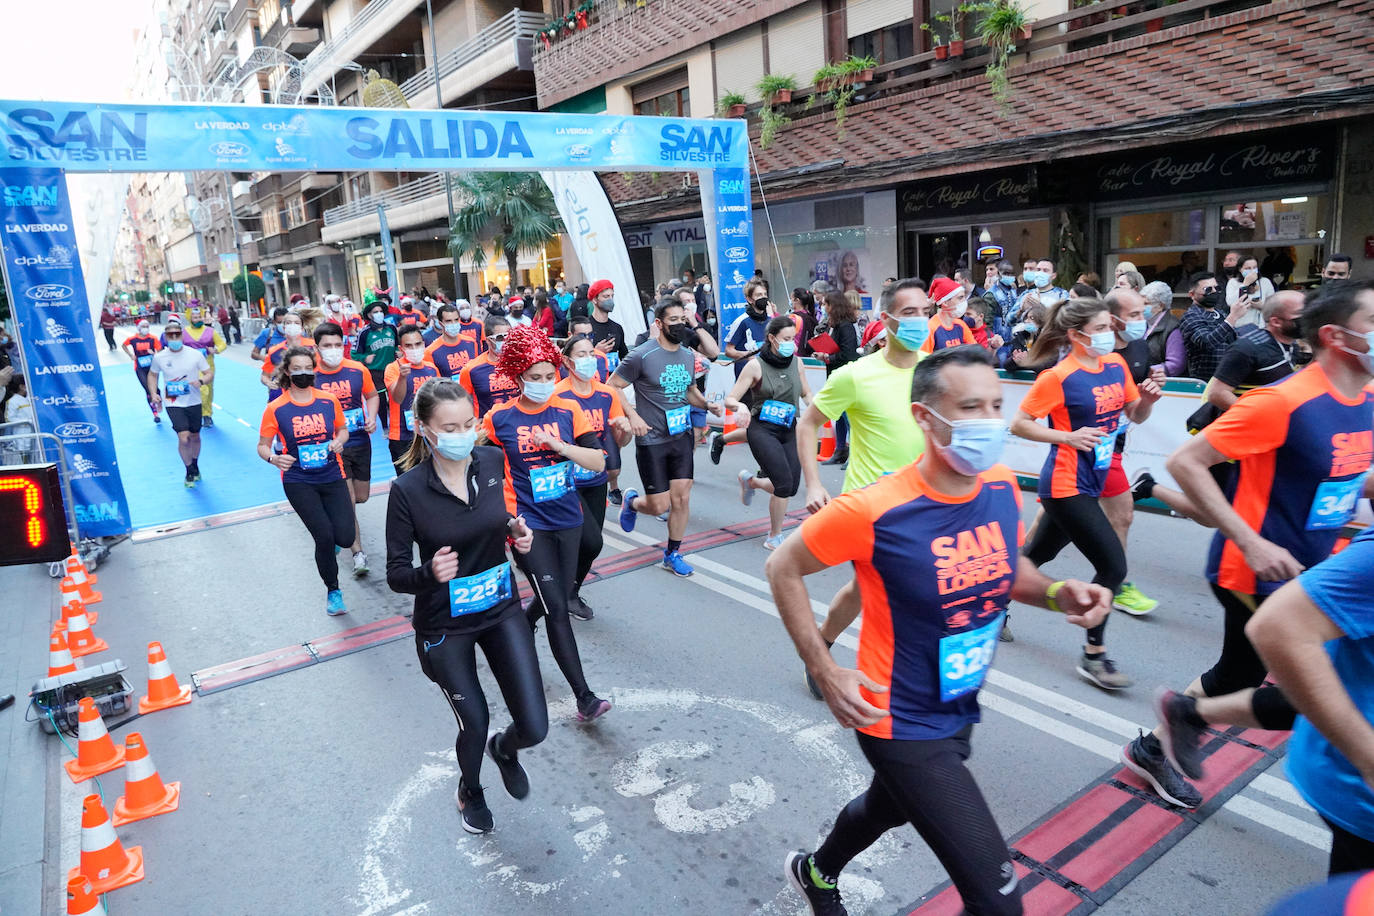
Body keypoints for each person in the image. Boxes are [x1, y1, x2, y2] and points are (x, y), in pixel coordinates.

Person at [769, 345, 1112, 916]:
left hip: (959, 702)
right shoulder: (875, 509)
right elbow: (783, 566)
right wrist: (824, 670)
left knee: (888, 807)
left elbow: (1007, 570)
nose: (990, 421)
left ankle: (815, 872)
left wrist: (1056, 592)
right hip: (897, 718)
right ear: (926, 417)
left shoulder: (1001, 485)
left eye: (997, 405)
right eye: (971, 407)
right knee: (1000, 905)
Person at [1121, 280, 1374, 810]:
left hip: (1312, 567)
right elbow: (1185, 462)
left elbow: (1346, 473)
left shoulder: (1365, 399)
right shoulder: (1281, 401)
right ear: (1336, 336)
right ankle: (1159, 743)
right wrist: (1251, 541)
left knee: (1271, 680)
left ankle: (1167, 733)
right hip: (1253, 567)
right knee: (1299, 687)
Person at [385, 378, 546, 834]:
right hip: (445, 626)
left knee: (534, 726)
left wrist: (519, 537)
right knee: (473, 721)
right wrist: (427, 574)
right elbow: (396, 573)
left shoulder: (493, 460)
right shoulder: (408, 491)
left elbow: (505, 520)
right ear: (425, 430)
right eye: (450, 426)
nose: (462, 433)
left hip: (500, 609)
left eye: (469, 423)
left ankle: (506, 749)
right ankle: (470, 790)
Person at [1010, 297, 1162, 688]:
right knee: (1114, 567)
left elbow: (1134, 415)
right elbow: (1020, 424)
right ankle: (1094, 655)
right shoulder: (1057, 377)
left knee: (1036, 555)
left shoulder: (1115, 365)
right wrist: (1067, 436)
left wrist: (1146, 401)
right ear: (1076, 335)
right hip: (1064, 483)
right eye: (1099, 330)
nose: (1109, 335)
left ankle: (989, 601)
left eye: (1110, 328)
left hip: (1095, 475)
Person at [794, 279, 932, 699]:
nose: (920, 321)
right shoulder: (856, 375)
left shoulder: (937, 369)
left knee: (860, 592)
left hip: (926, 504)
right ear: (886, 320)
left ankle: (822, 644)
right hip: (872, 509)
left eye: (925, 311)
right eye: (909, 313)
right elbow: (808, 424)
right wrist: (813, 483)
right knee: (893, 593)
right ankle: (899, 679)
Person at [483, 326, 612, 722]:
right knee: (557, 607)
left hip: (568, 516)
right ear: (518, 376)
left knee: (552, 592)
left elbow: (598, 462)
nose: (543, 384)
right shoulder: (499, 419)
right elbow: (483, 473)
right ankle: (584, 697)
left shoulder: (567, 410)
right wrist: (505, 521)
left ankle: (522, 621)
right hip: (528, 525)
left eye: (548, 376)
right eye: (534, 377)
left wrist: (560, 446)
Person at [1249, 526, 1374, 877]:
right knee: (1235, 672)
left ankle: (1188, 713)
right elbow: (1277, 628)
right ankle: (1184, 715)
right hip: (1357, 792)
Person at [1098, 289, 1195, 616]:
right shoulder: (1091, 351)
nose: (1143, 321)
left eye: (1144, 312)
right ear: (1113, 319)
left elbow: (1135, 414)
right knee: (1048, 533)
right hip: (1079, 449)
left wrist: (1150, 396)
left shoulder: (1140, 348)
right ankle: (1013, 577)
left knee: (1121, 515)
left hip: (1112, 448)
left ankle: (1114, 586)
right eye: (1136, 315)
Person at [612, 300, 724, 578]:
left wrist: (707, 405)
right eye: (672, 320)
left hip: (681, 435)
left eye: (681, 320)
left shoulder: (688, 355)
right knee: (658, 505)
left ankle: (672, 553)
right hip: (651, 439)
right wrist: (632, 415)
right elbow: (612, 385)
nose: (679, 325)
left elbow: (689, 391)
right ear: (659, 324)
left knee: (682, 499)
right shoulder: (641, 355)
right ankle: (633, 502)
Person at [258, 347, 354, 616]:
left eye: (307, 368)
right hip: (299, 480)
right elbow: (263, 446)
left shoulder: (327, 400)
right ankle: (333, 591)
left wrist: (339, 441)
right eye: (297, 368)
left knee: (345, 537)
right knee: (323, 536)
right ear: (287, 371)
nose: (303, 373)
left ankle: (331, 545)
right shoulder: (276, 408)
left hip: (332, 474)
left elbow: (343, 429)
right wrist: (274, 459)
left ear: (314, 369)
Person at [553, 334, 633, 619]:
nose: (589, 360)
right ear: (567, 360)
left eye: (592, 354)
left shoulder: (606, 393)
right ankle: (562, 591)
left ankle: (570, 591)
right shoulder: (557, 395)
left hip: (595, 479)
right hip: (565, 481)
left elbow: (616, 441)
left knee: (590, 543)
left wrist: (624, 429)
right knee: (588, 541)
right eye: (582, 354)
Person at [726, 316, 813, 549]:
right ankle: (774, 536)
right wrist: (741, 406)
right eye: (786, 339)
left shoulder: (797, 363)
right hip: (762, 429)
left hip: (788, 427)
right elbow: (730, 398)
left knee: (791, 487)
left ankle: (751, 482)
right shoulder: (755, 365)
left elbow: (806, 394)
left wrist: (819, 411)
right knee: (783, 484)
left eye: (793, 338)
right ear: (772, 339)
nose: (791, 343)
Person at [314, 322, 380, 578]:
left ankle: (335, 515)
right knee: (349, 501)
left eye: (337, 345)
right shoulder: (312, 376)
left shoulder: (357, 369)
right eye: (327, 346)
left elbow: (372, 395)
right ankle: (358, 553)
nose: (333, 350)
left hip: (360, 442)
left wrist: (372, 417)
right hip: (333, 448)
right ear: (317, 348)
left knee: (361, 496)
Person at [1204, 291, 1305, 413]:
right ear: (1276, 322)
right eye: (1301, 315)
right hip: (1246, 427)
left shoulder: (1293, 345)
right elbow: (1217, 394)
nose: (1309, 319)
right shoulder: (1246, 349)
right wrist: (1258, 416)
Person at [146, 318, 213, 487]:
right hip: (173, 402)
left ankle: (195, 465)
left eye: (177, 335)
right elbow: (153, 375)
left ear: (182, 336)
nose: (174, 338)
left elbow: (208, 372)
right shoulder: (160, 357)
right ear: (166, 337)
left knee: (195, 436)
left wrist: (201, 381)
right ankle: (188, 470)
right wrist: (153, 393)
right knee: (183, 438)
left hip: (193, 400)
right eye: (171, 335)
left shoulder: (194, 354)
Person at [813, 290, 862, 467]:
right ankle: (840, 450)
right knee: (839, 415)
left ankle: (853, 454)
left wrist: (827, 357)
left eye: (825, 304)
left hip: (845, 375)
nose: (823, 308)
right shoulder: (833, 324)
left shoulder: (846, 326)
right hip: (835, 374)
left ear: (834, 305)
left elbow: (848, 354)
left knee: (848, 417)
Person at [384, 324, 440, 474]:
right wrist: (402, 377)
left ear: (423, 344)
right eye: (408, 345)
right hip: (403, 435)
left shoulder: (431, 368)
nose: (414, 349)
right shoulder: (393, 368)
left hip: (429, 433)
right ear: (401, 348)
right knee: (408, 483)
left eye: (417, 344)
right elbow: (398, 398)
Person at [1179, 270, 1249, 380]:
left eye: (1217, 288)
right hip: (1205, 382)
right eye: (1208, 289)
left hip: (1229, 376)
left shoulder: (1220, 313)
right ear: (1192, 294)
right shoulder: (1190, 316)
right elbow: (1207, 342)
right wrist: (1233, 317)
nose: (1214, 292)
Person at [458, 317, 520, 418]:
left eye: (509, 336)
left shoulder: (521, 363)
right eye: (500, 337)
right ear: (488, 340)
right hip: (487, 429)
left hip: (518, 424)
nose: (506, 341)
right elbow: (463, 404)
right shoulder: (471, 369)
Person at [178, 301, 226, 428]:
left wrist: (215, 350)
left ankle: (207, 415)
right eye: (195, 317)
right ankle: (196, 414)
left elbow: (222, 344)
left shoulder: (210, 331)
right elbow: (178, 347)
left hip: (207, 366)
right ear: (189, 317)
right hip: (190, 367)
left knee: (207, 391)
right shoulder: (184, 332)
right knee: (195, 390)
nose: (197, 319)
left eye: (199, 317)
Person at [357, 300, 400, 422]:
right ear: (370, 315)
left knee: (394, 396)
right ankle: (385, 425)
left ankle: (395, 420)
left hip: (391, 368)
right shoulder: (364, 332)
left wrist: (398, 351)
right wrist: (364, 358)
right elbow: (354, 353)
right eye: (375, 312)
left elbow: (397, 345)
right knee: (380, 398)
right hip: (375, 370)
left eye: (381, 311)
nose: (379, 314)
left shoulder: (391, 328)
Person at [724, 280, 772, 377]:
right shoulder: (742, 321)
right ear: (750, 299)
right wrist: (748, 355)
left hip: (766, 376)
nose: (763, 297)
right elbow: (728, 351)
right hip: (746, 377)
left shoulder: (770, 320)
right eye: (758, 295)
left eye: (765, 294)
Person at [121, 319, 162, 424]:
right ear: (139, 328)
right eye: (143, 326)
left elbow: (160, 352)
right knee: (148, 389)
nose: (145, 328)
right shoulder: (133, 339)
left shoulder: (153, 338)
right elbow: (123, 345)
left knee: (155, 389)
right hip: (139, 368)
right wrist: (130, 355)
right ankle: (155, 414)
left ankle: (159, 396)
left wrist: (154, 353)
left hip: (152, 368)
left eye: (147, 326)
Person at [1140, 281, 1184, 377]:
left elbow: (1175, 365)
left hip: (1163, 384)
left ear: (1160, 306)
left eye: (1146, 303)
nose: (1141, 307)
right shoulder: (1143, 323)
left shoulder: (1173, 328)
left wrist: (1147, 371)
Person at [425, 303, 480, 378]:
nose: (453, 324)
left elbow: (475, 369)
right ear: (441, 324)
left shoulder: (471, 342)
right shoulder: (431, 352)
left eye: (456, 320)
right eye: (448, 321)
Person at [920, 277, 976, 352]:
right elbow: (924, 359)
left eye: (964, 297)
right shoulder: (931, 328)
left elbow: (974, 353)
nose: (964, 301)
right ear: (945, 302)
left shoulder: (961, 325)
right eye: (960, 298)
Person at [1010, 258, 1068, 324]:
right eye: (1038, 270)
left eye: (1045, 270)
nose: (1040, 273)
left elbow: (1065, 321)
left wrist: (1041, 308)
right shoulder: (1026, 294)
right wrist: (1021, 310)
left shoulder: (1062, 295)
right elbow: (1008, 321)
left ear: (1053, 275)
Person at [1223, 256, 1275, 326]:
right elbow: (1230, 302)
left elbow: (1273, 305)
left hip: (1261, 325)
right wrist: (1245, 284)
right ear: (1240, 269)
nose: (1252, 271)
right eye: (1248, 268)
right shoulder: (1233, 282)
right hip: (1241, 326)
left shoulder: (1265, 282)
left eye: (1254, 268)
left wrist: (1262, 305)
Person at [586, 279, 627, 364]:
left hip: (613, 376)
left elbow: (625, 357)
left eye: (612, 296)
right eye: (606, 296)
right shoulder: (585, 327)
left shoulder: (617, 328)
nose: (610, 300)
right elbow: (577, 360)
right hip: (592, 376)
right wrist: (596, 352)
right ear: (594, 300)